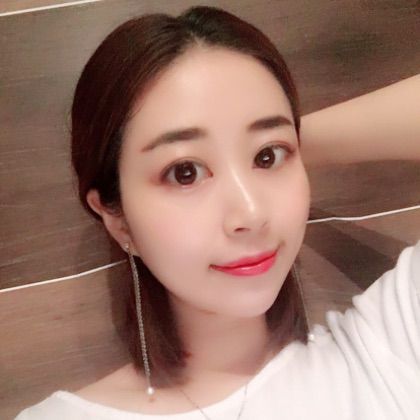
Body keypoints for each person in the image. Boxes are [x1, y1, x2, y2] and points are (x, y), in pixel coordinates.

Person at [15, 5, 420, 420]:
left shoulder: (386, 352)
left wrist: (290, 139)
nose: (251, 213)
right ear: (118, 219)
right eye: (185, 172)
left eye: (268, 158)